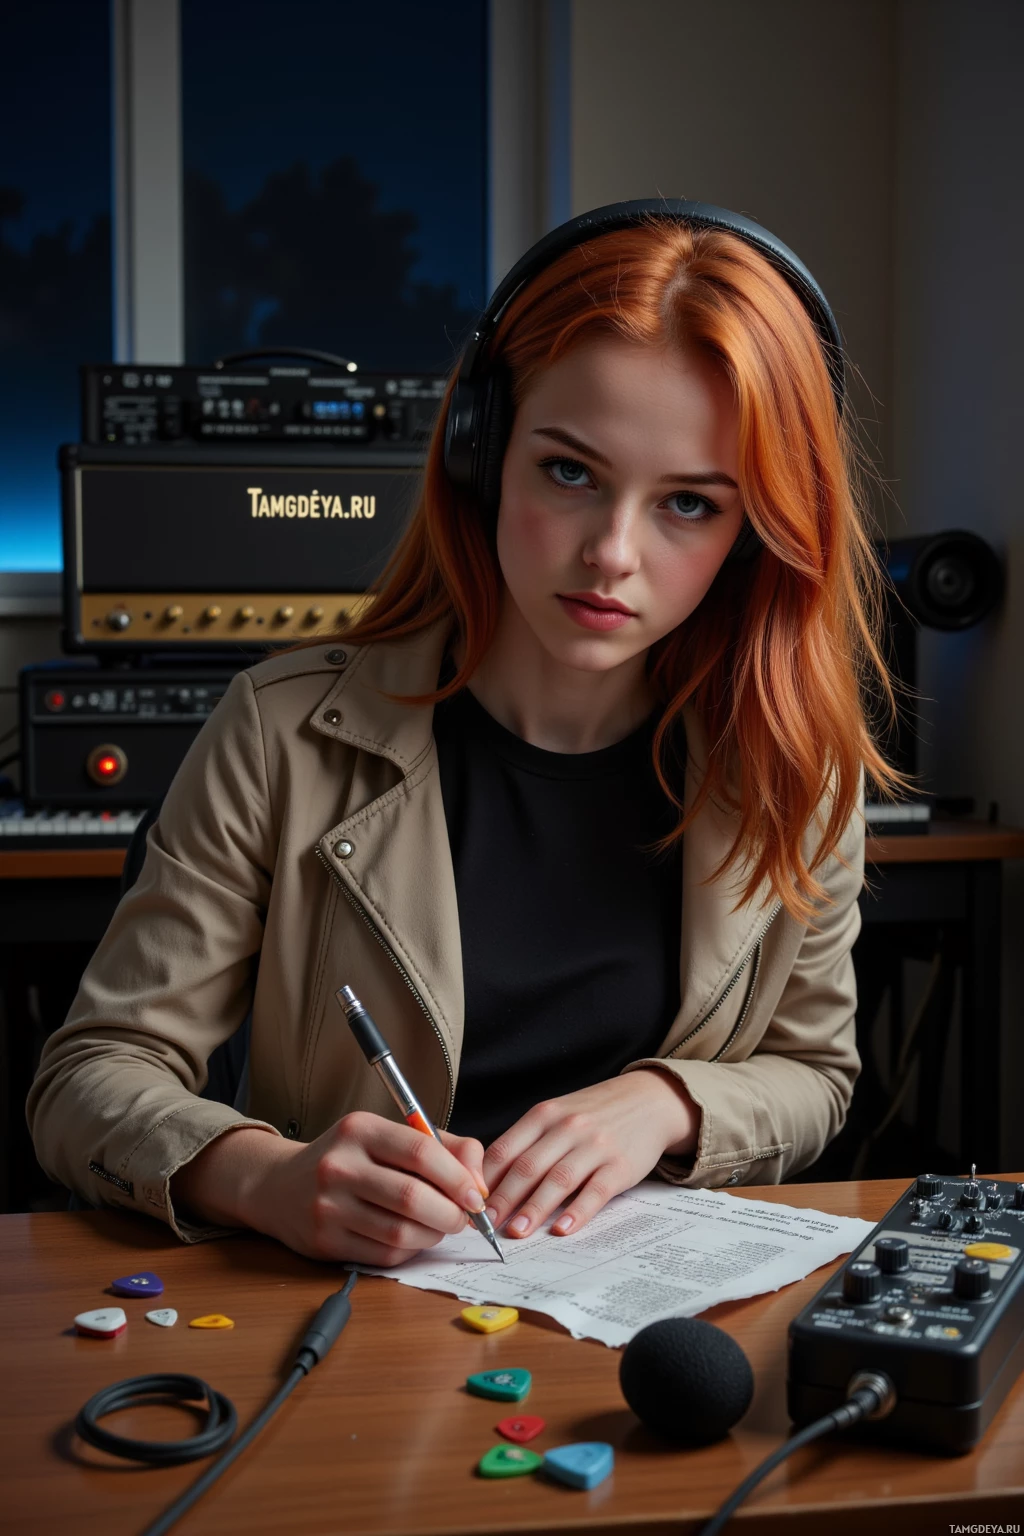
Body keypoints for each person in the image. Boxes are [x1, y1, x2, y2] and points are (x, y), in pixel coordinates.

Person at [28, 203, 900, 1266]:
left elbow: (814, 1074)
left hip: (641, 1325)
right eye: (569, 472)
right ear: (482, 452)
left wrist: (667, 1102)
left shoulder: (797, 772)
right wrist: (264, 1178)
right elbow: (88, 1080)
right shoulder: (277, 731)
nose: (612, 554)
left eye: (688, 505)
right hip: (354, 1332)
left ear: (757, 533)